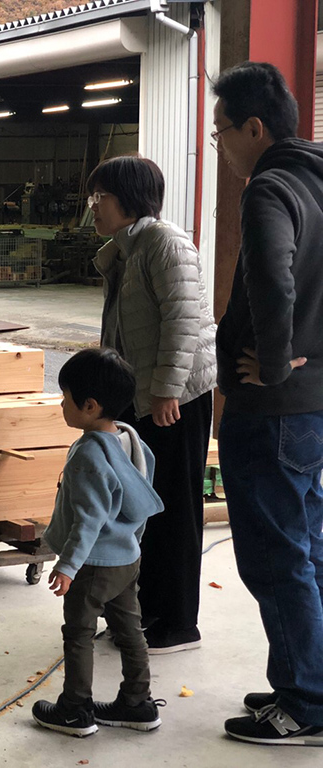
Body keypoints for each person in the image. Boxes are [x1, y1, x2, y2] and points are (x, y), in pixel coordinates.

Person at [212, 61, 323, 746]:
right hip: (314, 410)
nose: (219, 145)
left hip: (274, 409)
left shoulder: (270, 189)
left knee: (276, 556)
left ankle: (305, 702)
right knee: (308, 545)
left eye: (221, 131)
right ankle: (306, 676)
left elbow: (275, 283)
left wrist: (276, 364)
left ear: (254, 128)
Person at [88, 155, 217, 654]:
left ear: (130, 198)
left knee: (175, 509)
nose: (93, 206)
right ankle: (146, 612)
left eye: (102, 196)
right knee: (144, 509)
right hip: (145, 396)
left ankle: (179, 623)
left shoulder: (165, 242)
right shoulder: (128, 247)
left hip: (175, 398)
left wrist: (166, 390)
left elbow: (184, 322)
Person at [32, 347, 165, 738]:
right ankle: (137, 703)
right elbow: (141, 494)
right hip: (126, 558)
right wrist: (133, 543)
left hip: (93, 564)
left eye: (65, 397)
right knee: (130, 630)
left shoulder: (89, 454)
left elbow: (88, 521)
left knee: (79, 634)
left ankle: (74, 709)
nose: (60, 404)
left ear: (89, 406)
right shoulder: (129, 438)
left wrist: (68, 566)